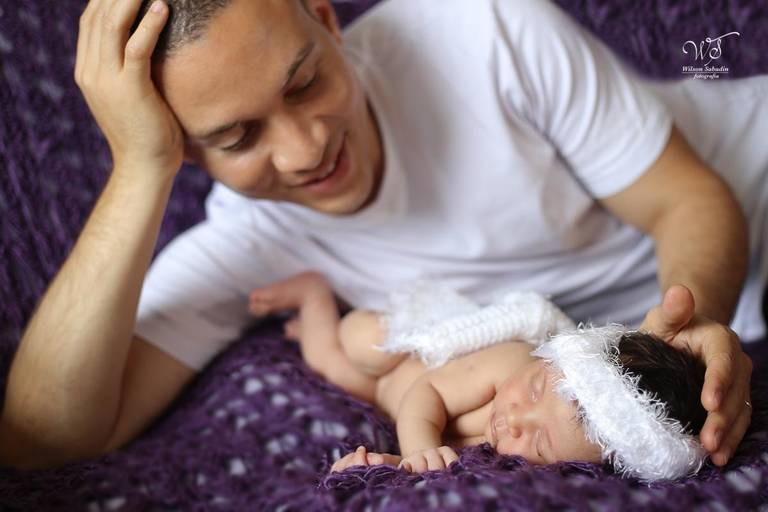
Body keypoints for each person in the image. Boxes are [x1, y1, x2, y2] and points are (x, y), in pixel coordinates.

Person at [0, 0, 760, 470]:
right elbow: (43, 440)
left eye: (304, 82)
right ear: (186, 150)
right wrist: (138, 169)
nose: (305, 150)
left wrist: (686, 334)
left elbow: (686, 200)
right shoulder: (248, 244)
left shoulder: (485, 29)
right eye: (236, 138)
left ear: (326, 20)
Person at [247, 271, 709, 481]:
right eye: (534, 390)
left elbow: (439, 460)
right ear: (548, 360)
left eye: (541, 443)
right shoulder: (510, 362)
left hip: (384, 397)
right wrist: (419, 450)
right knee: (356, 346)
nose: (514, 420)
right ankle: (315, 293)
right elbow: (427, 393)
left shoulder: (513, 462)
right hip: (398, 358)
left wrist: (398, 464)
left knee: (328, 368)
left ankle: (307, 318)